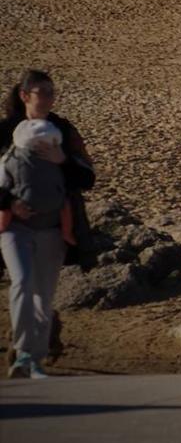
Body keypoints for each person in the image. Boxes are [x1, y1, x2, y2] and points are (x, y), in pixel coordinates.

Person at [0, 70, 95, 379]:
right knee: (22, 283)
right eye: (44, 92)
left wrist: (62, 160)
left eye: (53, 93)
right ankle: (23, 352)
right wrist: (9, 203)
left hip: (55, 226)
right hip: (13, 226)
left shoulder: (63, 130)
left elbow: (86, 177)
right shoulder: (4, 132)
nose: (50, 99)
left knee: (43, 294)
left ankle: (34, 358)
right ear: (25, 95)